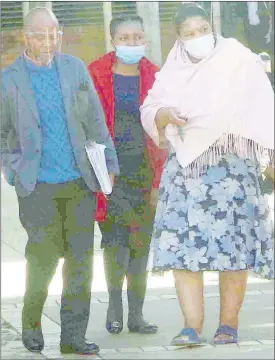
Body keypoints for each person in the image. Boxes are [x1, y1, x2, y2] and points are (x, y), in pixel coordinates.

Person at [141, 2, 274, 347]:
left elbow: (264, 107)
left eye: (203, 30)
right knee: (184, 250)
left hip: (233, 170)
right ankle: (191, 326)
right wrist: (167, 113)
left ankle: (228, 325)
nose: (197, 38)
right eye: (189, 33)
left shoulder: (239, 58)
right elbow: (151, 107)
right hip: (187, 174)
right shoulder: (173, 68)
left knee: (235, 249)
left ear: (213, 28)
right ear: (179, 38)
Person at [1, 7, 119, 356]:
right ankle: (32, 320)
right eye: (40, 35)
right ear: (26, 37)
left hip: (79, 180)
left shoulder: (74, 69)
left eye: (54, 34)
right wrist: (14, 170)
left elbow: (96, 120)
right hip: (37, 186)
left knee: (81, 260)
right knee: (44, 258)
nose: (48, 41)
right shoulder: (9, 80)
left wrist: (108, 161)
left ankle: (73, 337)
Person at [88, 15, 167, 335]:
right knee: (115, 242)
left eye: (137, 37)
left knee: (140, 244)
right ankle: (114, 308)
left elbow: (164, 133)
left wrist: (158, 181)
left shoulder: (155, 75)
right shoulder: (94, 73)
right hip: (108, 174)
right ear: (112, 40)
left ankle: (137, 313)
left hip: (144, 173)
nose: (132, 43)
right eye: (125, 38)